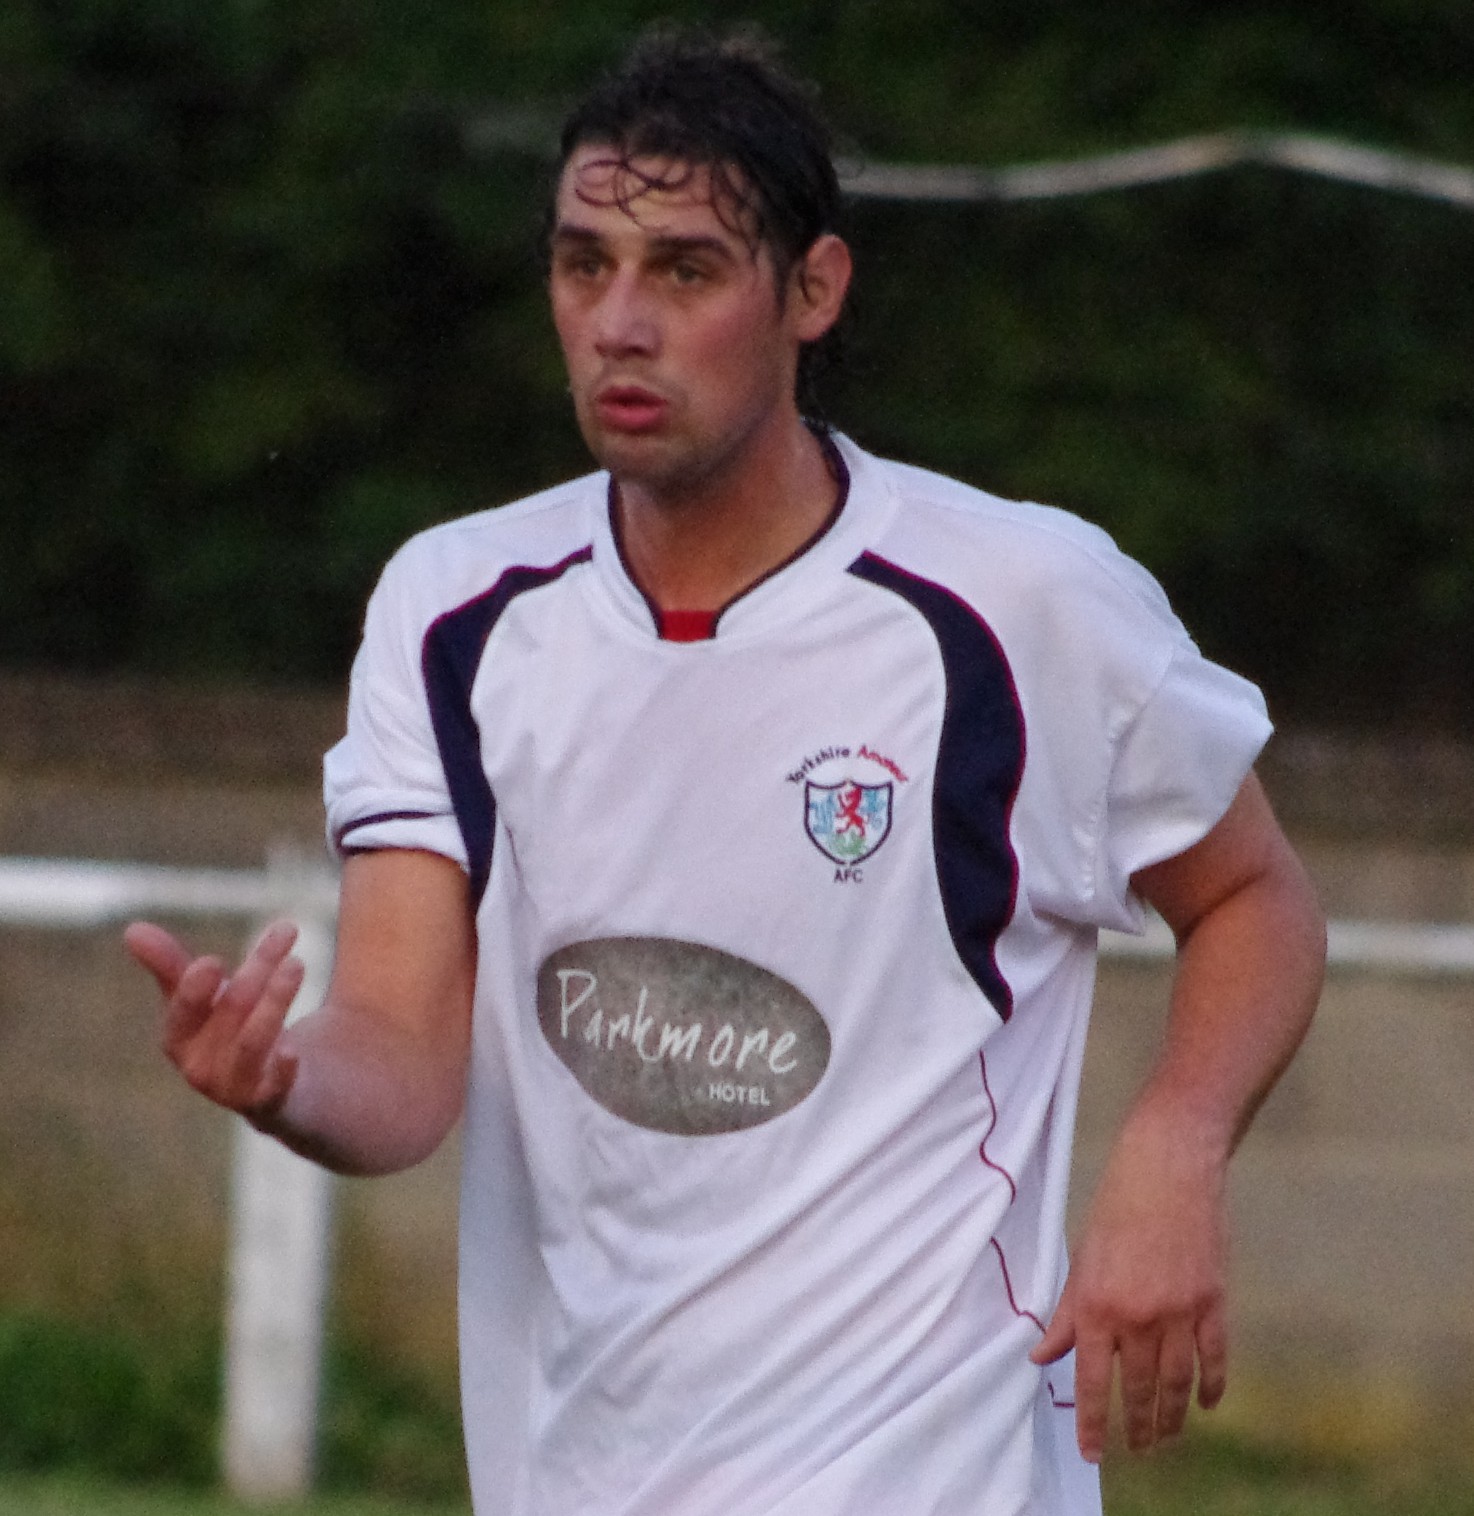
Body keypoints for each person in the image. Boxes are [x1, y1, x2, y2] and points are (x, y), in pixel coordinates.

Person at [125, 26, 1326, 1516]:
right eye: (583, 266)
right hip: (575, 1475)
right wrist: (286, 1077)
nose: (620, 322)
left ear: (810, 290)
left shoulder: (1017, 605)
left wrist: (1175, 1143)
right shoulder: (454, 610)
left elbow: (1255, 900)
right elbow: (400, 1053)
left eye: (683, 270)